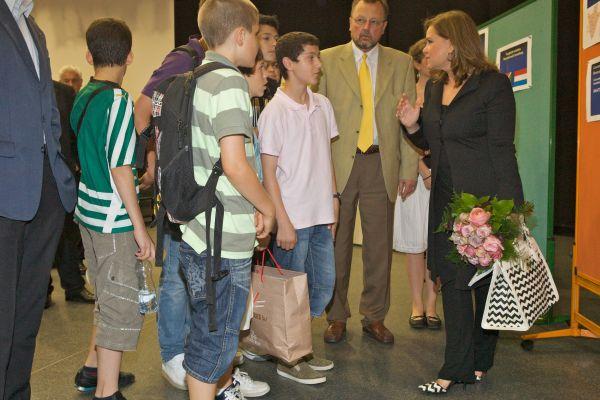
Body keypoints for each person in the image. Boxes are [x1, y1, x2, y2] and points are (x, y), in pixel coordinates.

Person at [397, 10, 524, 394]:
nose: (427, 48)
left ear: (453, 44)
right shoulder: (434, 88)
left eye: (433, 40)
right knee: (451, 282)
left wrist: (510, 213)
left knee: (485, 286)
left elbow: (503, 150)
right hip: (447, 201)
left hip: (485, 203)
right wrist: (413, 125)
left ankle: (481, 359)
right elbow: (433, 148)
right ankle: (456, 367)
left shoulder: (493, 85)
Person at [179, 1, 275, 399]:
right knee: (215, 349)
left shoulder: (194, 78)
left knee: (204, 335)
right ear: (240, 35)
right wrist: (267, 205)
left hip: (197, 231)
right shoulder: (231, 82)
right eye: (255, 33)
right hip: (224, 239)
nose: (258, 44)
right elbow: (235, 163)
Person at [316, 0, 419, 344]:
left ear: (385, 26)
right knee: (336, 245)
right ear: (349, 22)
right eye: (360, 20)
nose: (366, 28)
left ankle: (374, 316)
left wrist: (408, 166)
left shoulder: (402, 63)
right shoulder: (327, 60)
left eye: (375, 22)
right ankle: (336, 315)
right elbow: (317, 120)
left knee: (379, 247)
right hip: (337, 164)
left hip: (381, 162)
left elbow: (408, 121)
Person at [70, 18, 156, 400]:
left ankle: (94, 371)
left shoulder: (83, 95)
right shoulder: (119, 101)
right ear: (130, 56)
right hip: (113, 218)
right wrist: (140, 227)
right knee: (120, 304)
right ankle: (107, 391)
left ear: (89, 56)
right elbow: (121, 169)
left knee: (106, 295)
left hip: (86, 213)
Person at [0, 1, 77, 397]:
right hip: (6, 188)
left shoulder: (33, 28)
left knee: (28, 314)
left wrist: (58, 165)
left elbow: (46, 107)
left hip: (44, 190)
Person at [260, 31, 338, 385]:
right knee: (291, 294)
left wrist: (333, 203)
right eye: (310, 57)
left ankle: (298, 347)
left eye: (317, 56)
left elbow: (327, 158)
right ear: (288, 64)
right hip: (293, 219)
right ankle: (287, 359)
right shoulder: (274, 112)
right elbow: (268, 174)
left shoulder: (323, 104)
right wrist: (283, 222)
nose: (318, 64)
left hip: (321, 216)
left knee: (322, 286)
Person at [133, 20, 206, 393]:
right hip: (180, 190)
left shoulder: (216, 63)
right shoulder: (185, 59)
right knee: (176, 273)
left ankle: (195, 351)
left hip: (203, 190)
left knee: (197, 272)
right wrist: (154, 159)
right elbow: (142, 109)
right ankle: (172, 354)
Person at [392, 38, 440, 330]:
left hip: (440, 175)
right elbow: (403, 137)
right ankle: (416, 302)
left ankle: (433, 304)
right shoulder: (405, 94)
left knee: (435, 242)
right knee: (414, 244)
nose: (429, 58)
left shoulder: (445, 91)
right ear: (417, 63)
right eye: (424, 55)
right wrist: (422, 169)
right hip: (413, 175)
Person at [47, 81, 95, 307]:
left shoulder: (64, 93)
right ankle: (42, 292)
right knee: (37, 239)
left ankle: (74, 287)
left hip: (64, 176)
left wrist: (77, 162)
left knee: (68, 236)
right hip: (33, 177)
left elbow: (75, 131)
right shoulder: (16, 86)